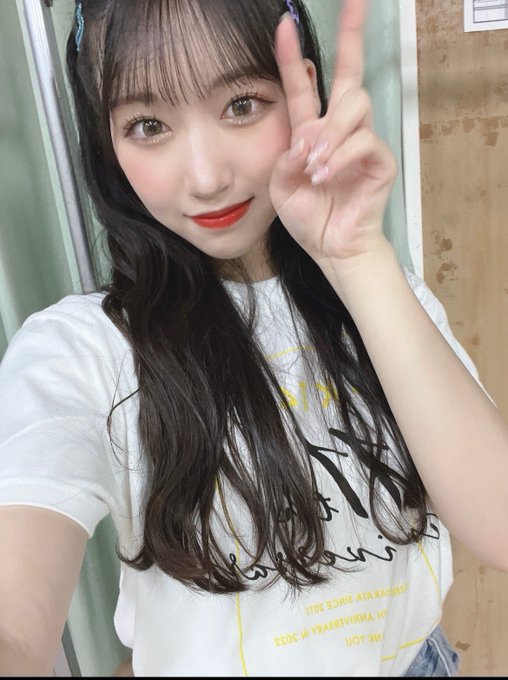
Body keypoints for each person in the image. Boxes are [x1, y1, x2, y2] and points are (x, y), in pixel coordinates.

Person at [0, 0, 507, 676]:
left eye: (241, 105)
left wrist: (358, 259)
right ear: (107, 141)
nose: (207, 176)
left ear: (301, 94)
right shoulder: (82, 349)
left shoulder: (386, 296)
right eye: (148, 125)